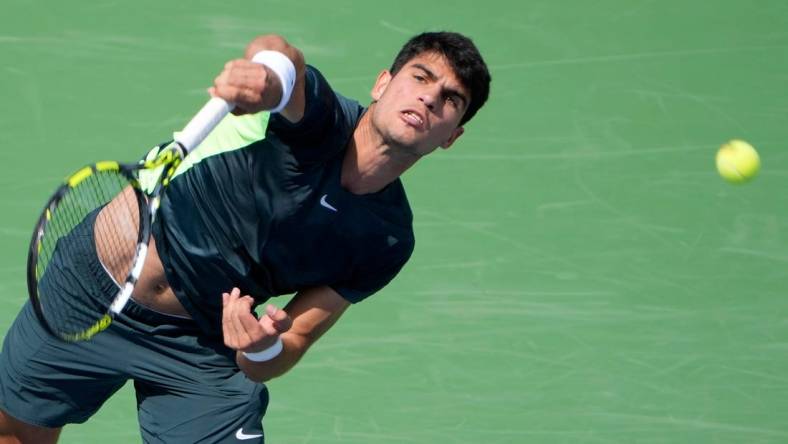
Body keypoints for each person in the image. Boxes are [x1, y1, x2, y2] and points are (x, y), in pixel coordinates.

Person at [0, 31, 491, 443]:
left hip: (202, 345)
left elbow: (293, 339)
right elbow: (283, 63)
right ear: (383, 83)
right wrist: (265, 73)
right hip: (92, 290)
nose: (430, 97)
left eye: (452, 100)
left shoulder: (385, 241)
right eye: (420, 78)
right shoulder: (320, 121)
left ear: (452, 136)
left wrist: (257, 347)